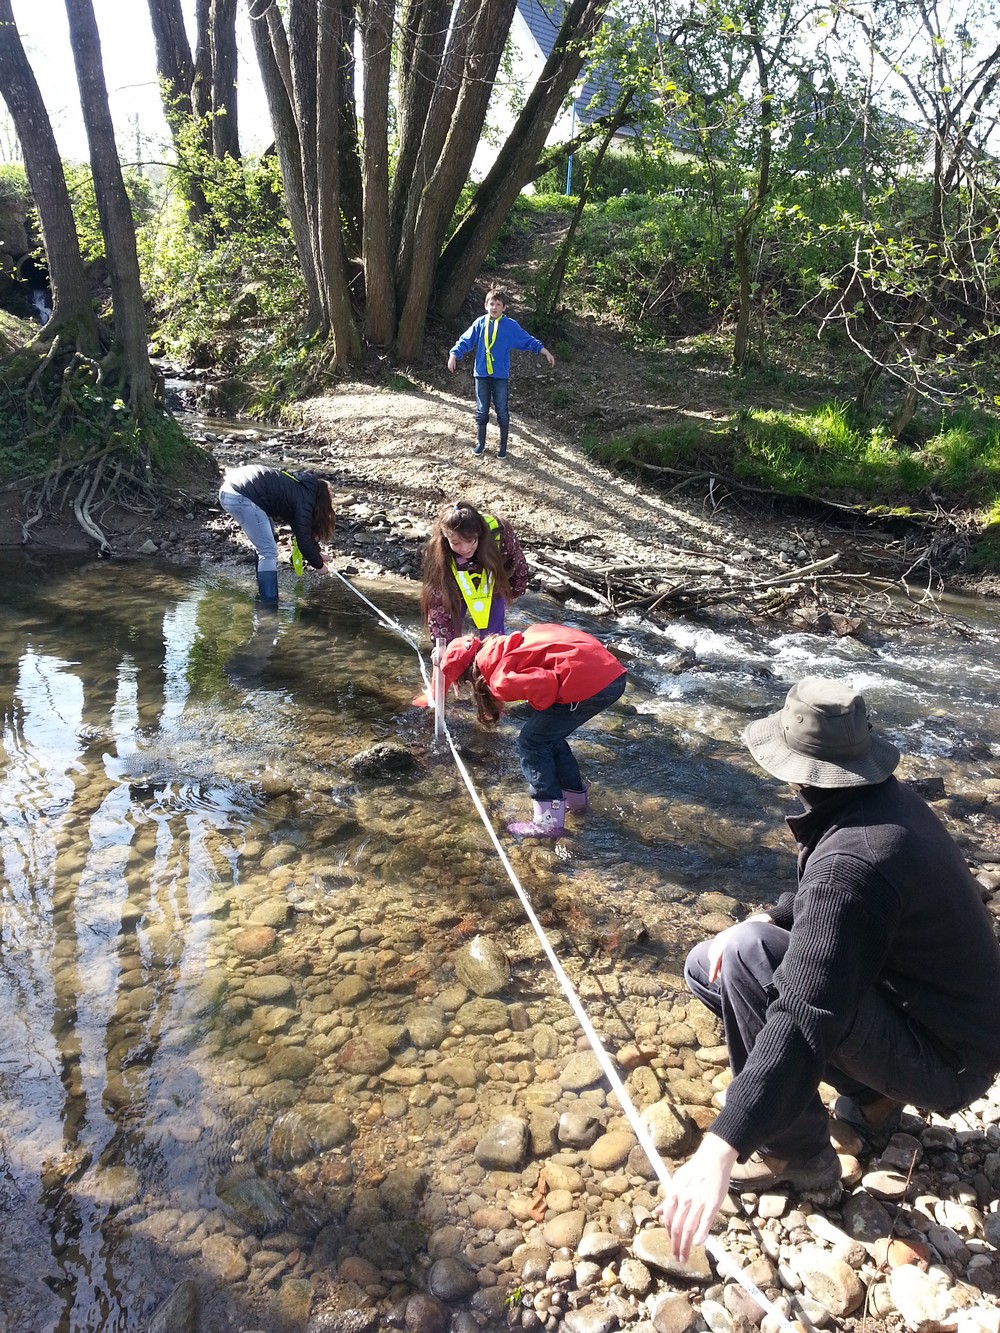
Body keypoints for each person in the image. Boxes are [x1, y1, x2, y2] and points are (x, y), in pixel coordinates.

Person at [657, 677, 1000, 1263]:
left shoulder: (854, 857)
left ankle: (800, 1152)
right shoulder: (884, 805)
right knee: (707, 963)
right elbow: (825, 904)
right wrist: (765, 915)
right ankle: (872, 1099)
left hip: (949, 1061)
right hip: (942, 1024)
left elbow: (802, 1012)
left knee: (745, 957)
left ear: (797, 767)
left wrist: (722, 1146)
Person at [438, 624, 626, 837]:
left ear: (468, 679)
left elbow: (546, 685)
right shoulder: (510, 644)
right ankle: (575, 802)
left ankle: (548, 822)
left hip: (595, 684)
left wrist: (537, 707)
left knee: (531, 741)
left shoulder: (499, 679)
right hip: (612, 672)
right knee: (549, 735)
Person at [447, 288, 556, 458]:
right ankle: (480, 444)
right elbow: (465, 340)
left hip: (500, 376)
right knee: (482, 410)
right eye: (492, 304)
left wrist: (544, 351)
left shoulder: (510, 326)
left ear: (504, 308)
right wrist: (454, 354)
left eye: (498, 304)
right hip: (482, 374)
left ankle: (503, 447)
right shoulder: (480, 323)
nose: (494, 307)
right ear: (485, 305)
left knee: (502, 411)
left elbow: (526, 339)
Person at [219, 464, 335, 604]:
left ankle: (263, 592)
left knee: (266, 541)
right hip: (240, 495)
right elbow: (303, 542)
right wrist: (320, 567)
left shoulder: (298, 487)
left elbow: (301, 530)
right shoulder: (305, 500)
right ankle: (269, 604)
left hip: (230, 490)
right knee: (267, 550)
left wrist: (317, 552)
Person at [420, 501, 529, 648]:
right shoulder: (439, 550)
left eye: (470, 540)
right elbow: (437, 601)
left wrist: (516, 591)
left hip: (491, 584)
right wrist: (441, 645)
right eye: (456, 543)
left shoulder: (500, 533)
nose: (464, 549)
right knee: (447, 643)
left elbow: (517, 561)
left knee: (494, 641)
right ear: (446, 538)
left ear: (478, 533)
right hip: (456, 587)